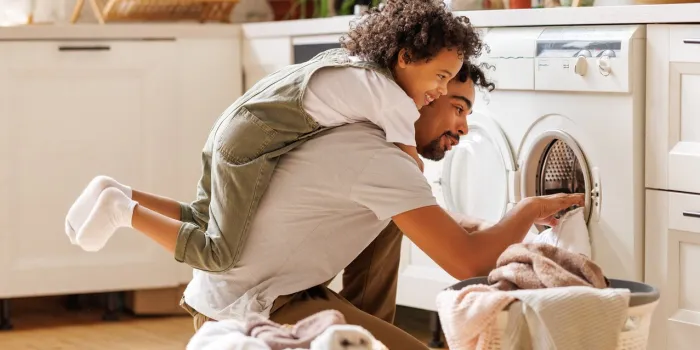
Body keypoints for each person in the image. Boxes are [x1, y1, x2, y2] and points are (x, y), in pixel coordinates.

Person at [65, 61, 584, 349]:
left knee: (396, 220)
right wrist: (524, 211)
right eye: (456, 105)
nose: (464, 127)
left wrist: (503, 226)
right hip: (261, 307)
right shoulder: (378, 160)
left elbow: (433, 225)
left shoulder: (370, 144)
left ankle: (364, 328)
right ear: (423, 96)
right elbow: (467, 261)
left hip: (243, 292)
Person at [64, 0, 486, 274]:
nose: (439, 90)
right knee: (219, 254)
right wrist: (450, 224)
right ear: (406, 56)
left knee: (201, 216)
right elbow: (408, 170)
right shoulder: (392, 100)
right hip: (250, 145)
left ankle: (117, 190)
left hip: (233, 127)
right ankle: (123, 210)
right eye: (441, 78)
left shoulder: (356, 65)